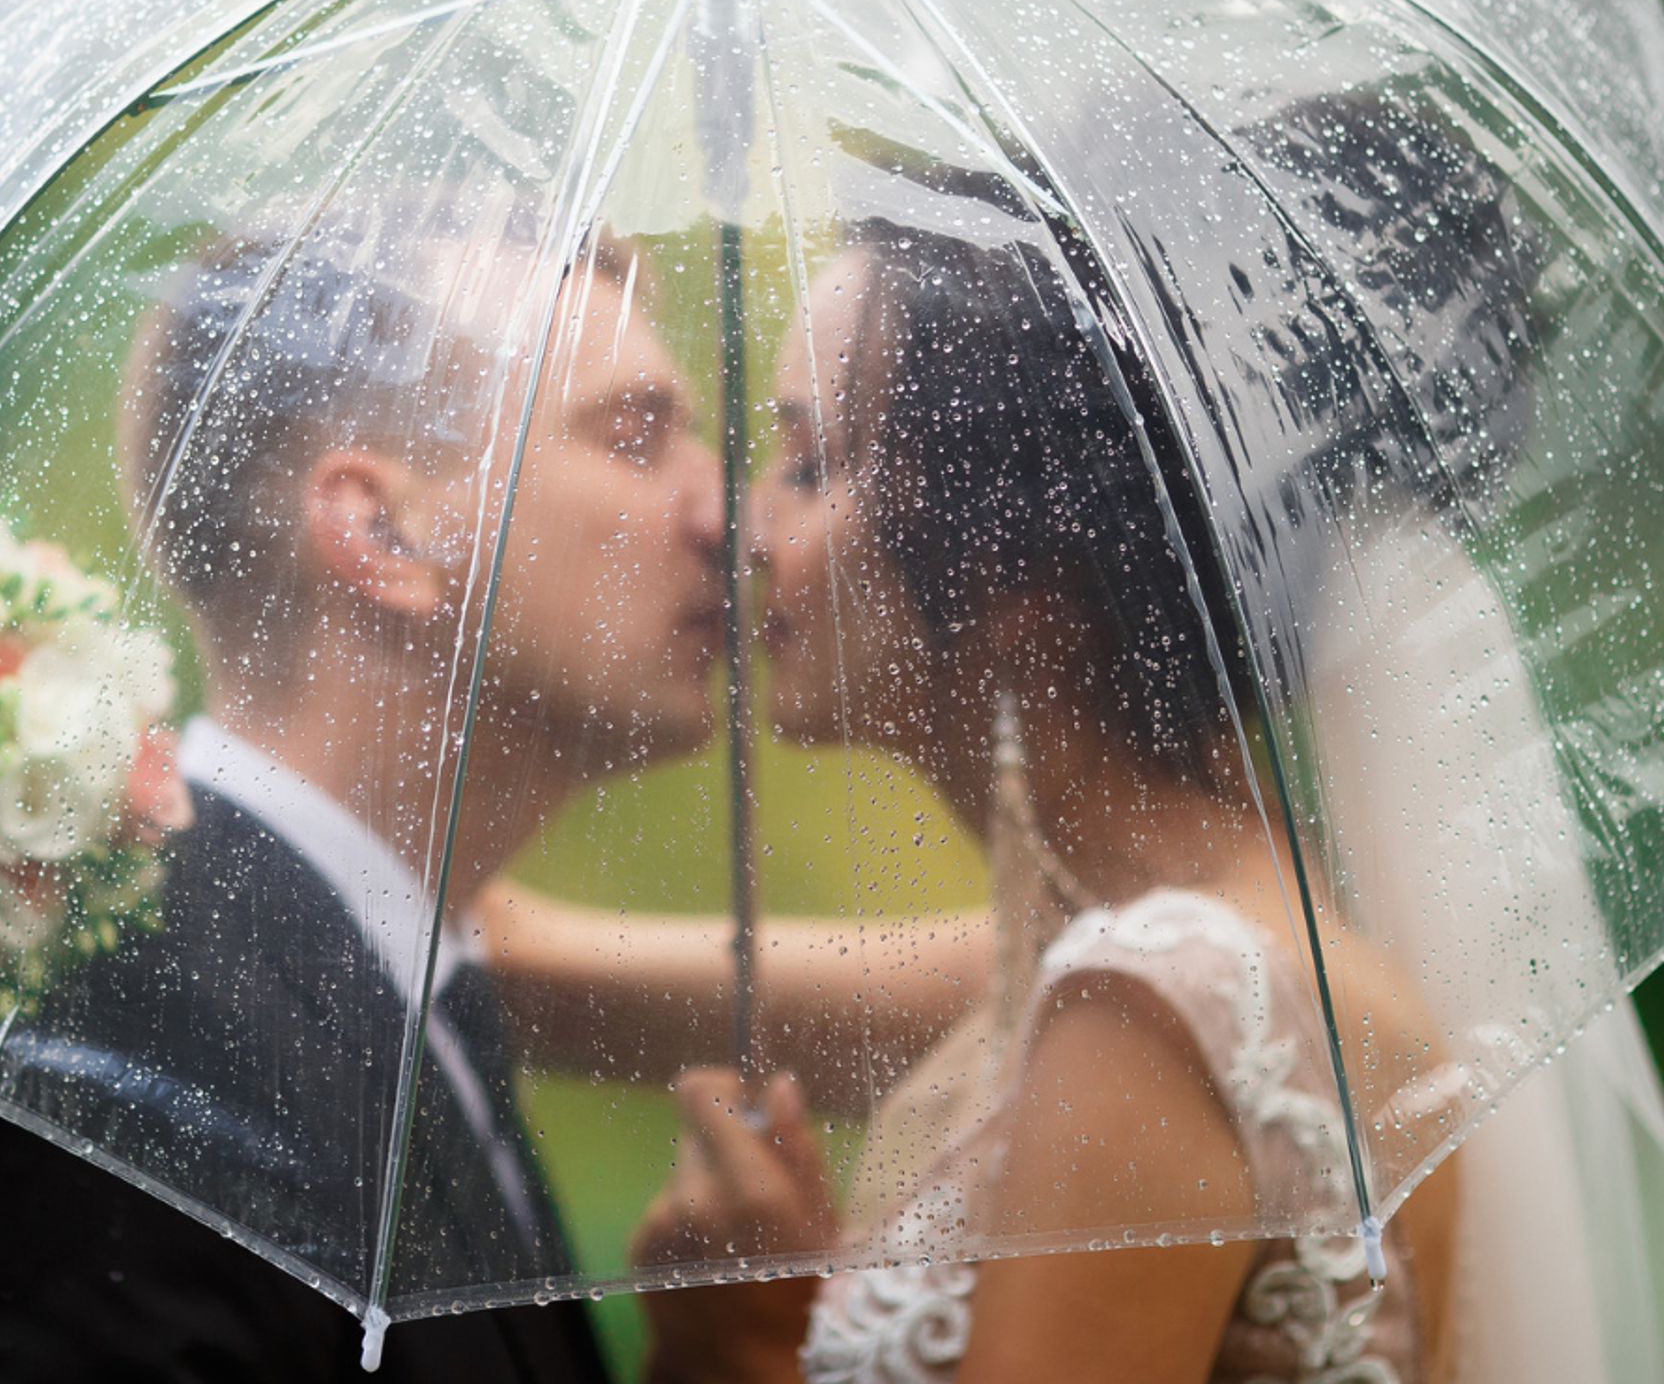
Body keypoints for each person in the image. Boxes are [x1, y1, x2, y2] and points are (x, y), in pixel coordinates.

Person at [621, 159, 1463, 1384]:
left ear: (1024, 578)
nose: (743, 527)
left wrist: (744, 1350)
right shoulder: (1181, 928)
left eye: (810, 467)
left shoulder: (1153, 1002)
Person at [0, 200, 725, 1382]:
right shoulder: (124, 1074)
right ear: (380, 533)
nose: (724, 511)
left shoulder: (402, 984)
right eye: (633, 434)